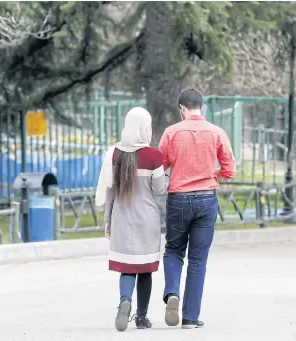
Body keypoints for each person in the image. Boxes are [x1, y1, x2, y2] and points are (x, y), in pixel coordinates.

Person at [159, 88, 236, 329]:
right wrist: (212, 173)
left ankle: (172, 292)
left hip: (179, 198)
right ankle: (191, 317)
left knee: (173, 250)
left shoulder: (171, 133)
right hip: (206, 199)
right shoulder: (217, 132)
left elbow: (159, 166)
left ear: (182, 109)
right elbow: (230, 170)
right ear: (200, 107)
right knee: (198, 259)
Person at [95, 107, 167, 332]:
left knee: (127, 267)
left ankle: (125, 301)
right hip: (147, 221)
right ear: (145, 128)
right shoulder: (154, 156)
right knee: (145, 269)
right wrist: (166, 174)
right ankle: (142, 317)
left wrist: (108, 220)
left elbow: (109, 191)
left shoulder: (114, 154)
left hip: (121, 218)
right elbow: (160, 189)